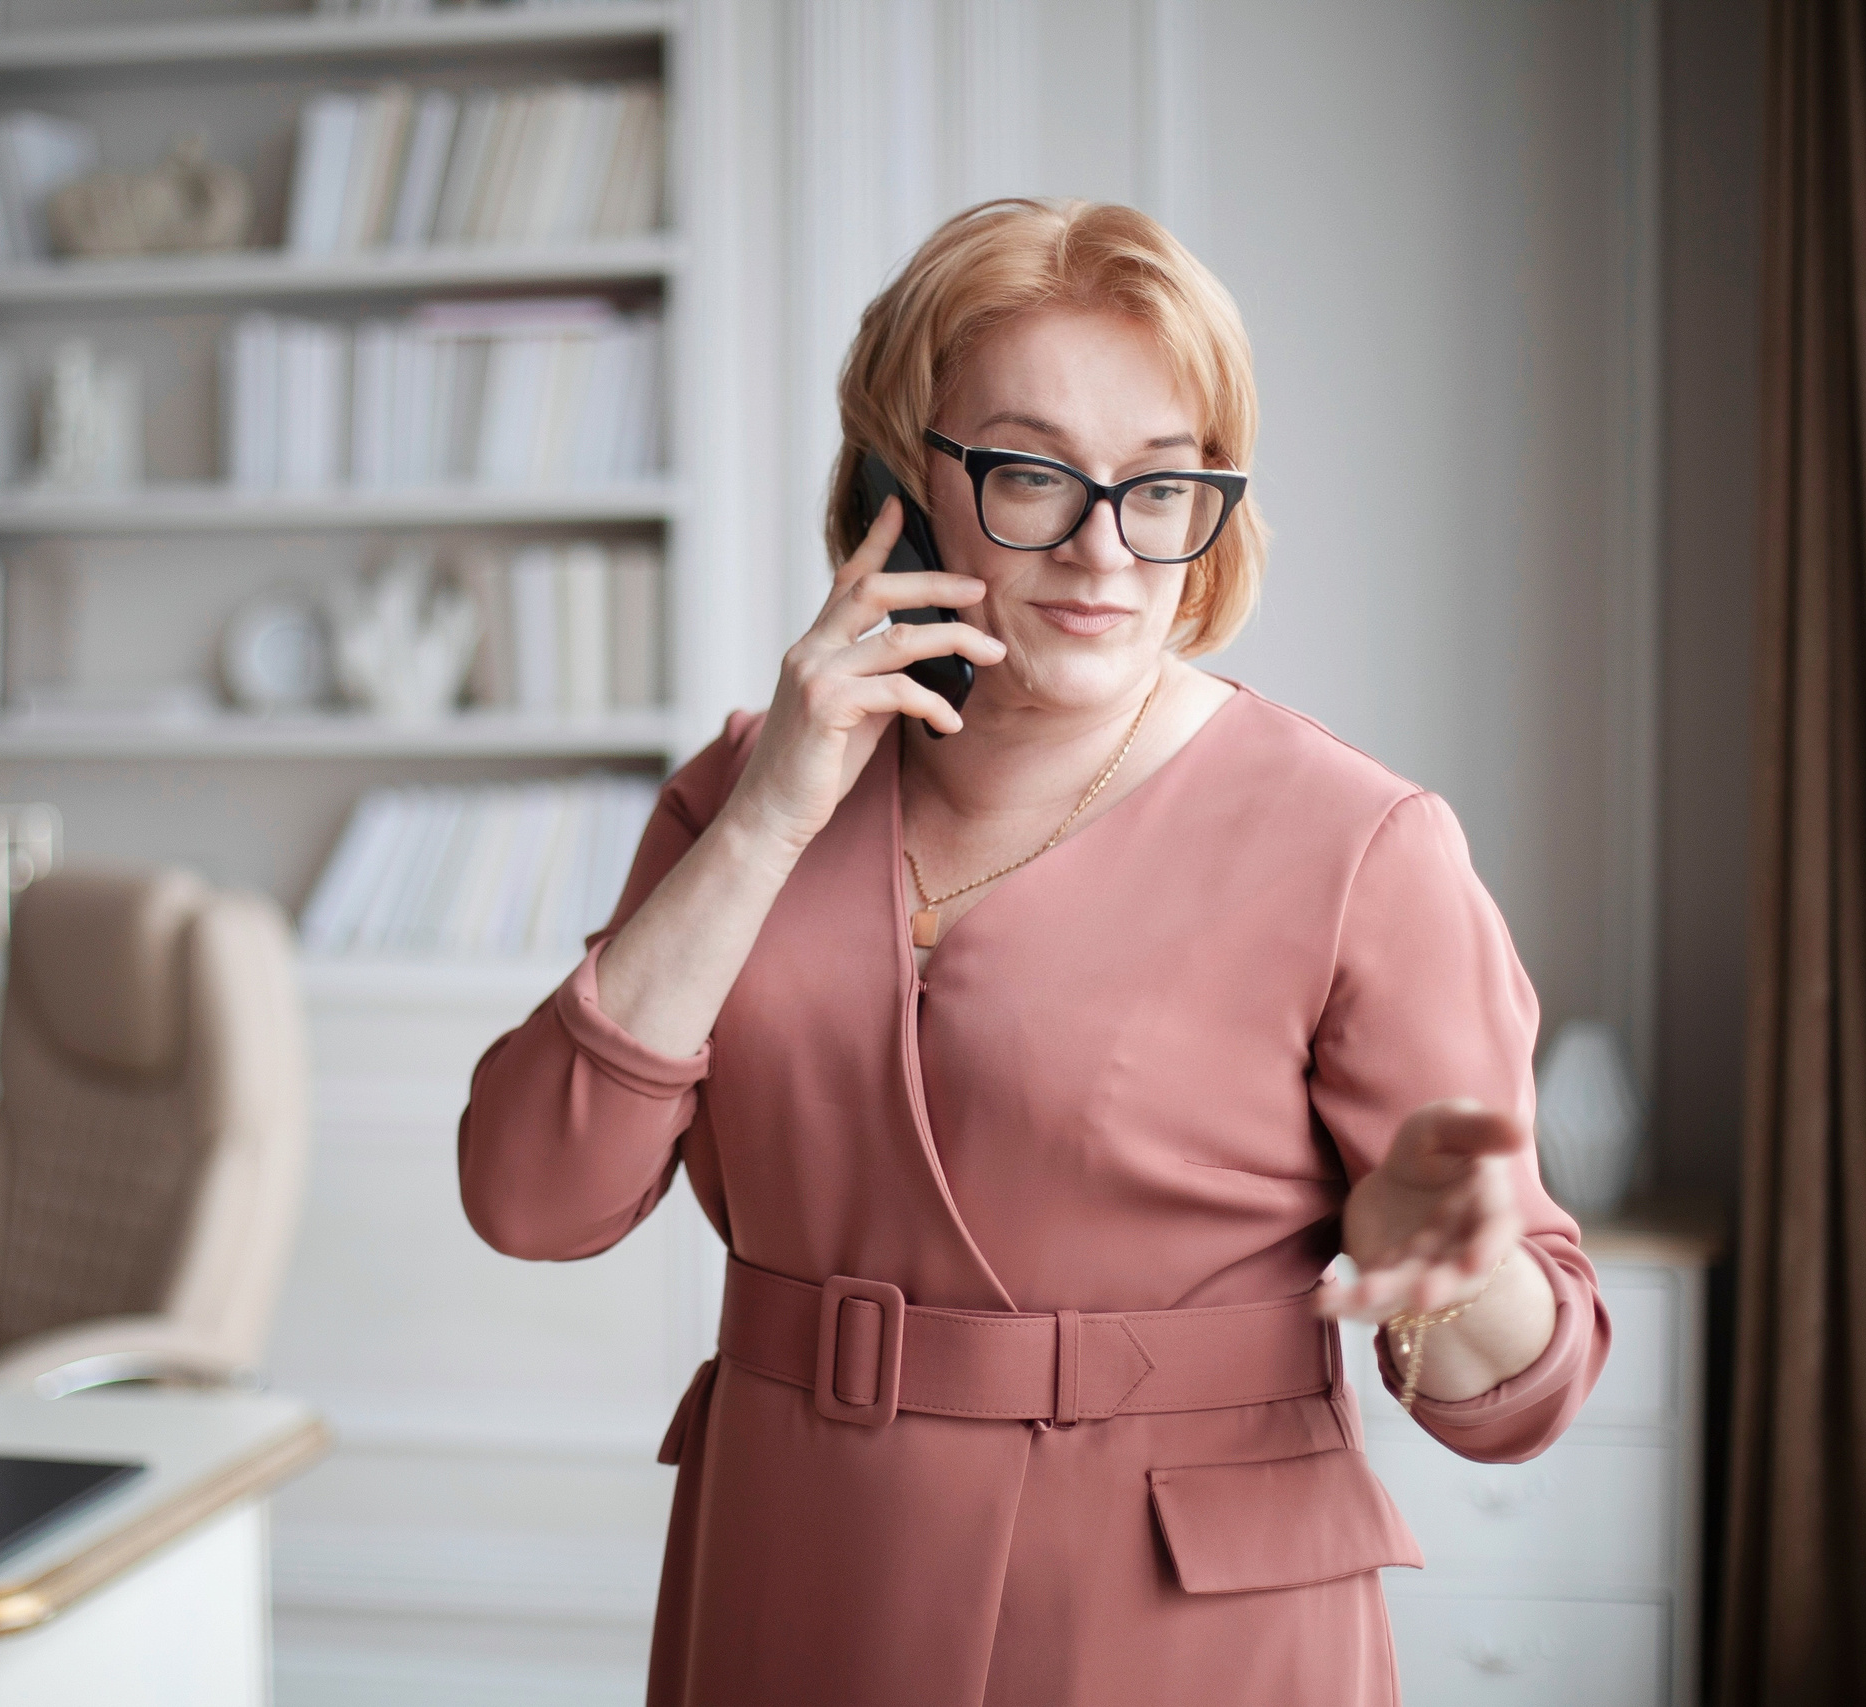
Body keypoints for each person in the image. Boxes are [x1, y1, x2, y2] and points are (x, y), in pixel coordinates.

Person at [455, 198, 1609, 1707]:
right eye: (1027, 472)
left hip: (1172, 1625)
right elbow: (532, 1200)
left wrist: (1448, 1278)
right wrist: (767, 820)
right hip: (797, 1581)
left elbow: (1521, 1395)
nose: (1104, 547)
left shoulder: (1361, 843)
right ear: (898, 481)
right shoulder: (742, 791)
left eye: (1161, 483)